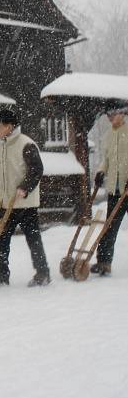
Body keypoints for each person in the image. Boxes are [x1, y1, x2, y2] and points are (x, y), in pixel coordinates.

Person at [0, 108, 51, 288]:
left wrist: (25, 187)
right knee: (2, 239)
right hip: (6, 202)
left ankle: (43, 273)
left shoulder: (26, 144)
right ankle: (1, 274)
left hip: (25, 203)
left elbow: (37, 170)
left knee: (33, 238)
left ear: (10, 126)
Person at [90, 100, 128, 276]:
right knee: (110, 226)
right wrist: (100, 172)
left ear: (122, 113)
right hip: (116, 188)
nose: (111, 118)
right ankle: (104, 262)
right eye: (108, 115)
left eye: (113, 114)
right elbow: (105, 160)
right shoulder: (107, 136)